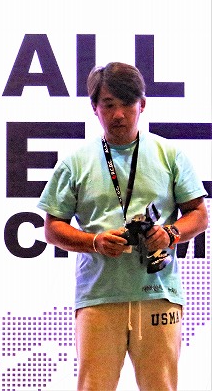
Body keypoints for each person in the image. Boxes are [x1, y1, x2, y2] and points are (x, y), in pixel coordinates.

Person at [37, 62, 208, 390]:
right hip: (99, 295)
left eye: (127, 104)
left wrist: (169, 234)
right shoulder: (75, 162)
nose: (118, 114)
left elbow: (199, 214)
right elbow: (52, 227)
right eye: (108, 104)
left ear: (142, 104)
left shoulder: (170, 154)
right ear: (94, 108)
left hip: (158, 292)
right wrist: (95, 241)